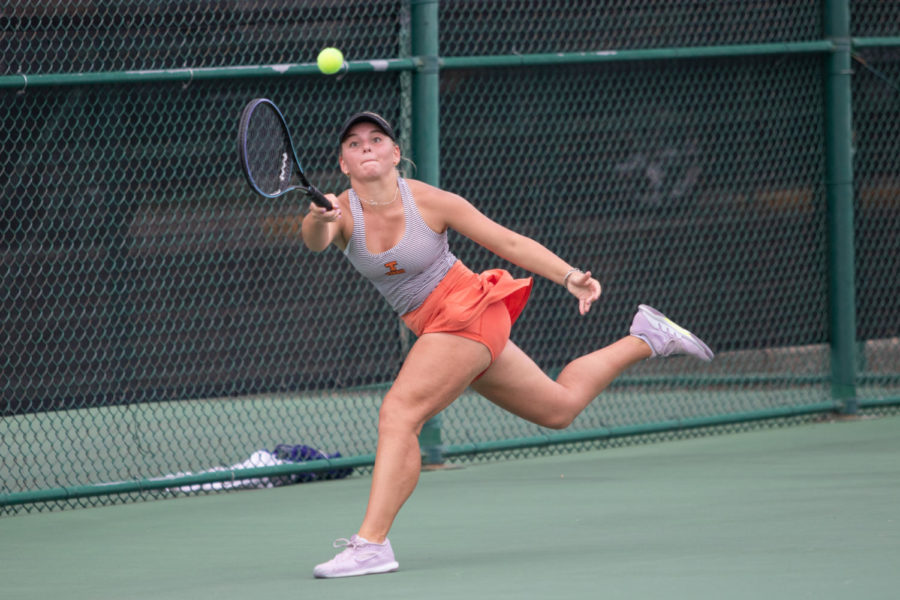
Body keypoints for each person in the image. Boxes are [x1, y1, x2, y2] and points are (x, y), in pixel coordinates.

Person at [302, 111, 714, 578]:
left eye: (377, 139)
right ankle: (647, 337)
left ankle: (371, 544)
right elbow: (317, 241)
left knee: (400, 413)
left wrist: (569, 276)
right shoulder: (337, 212)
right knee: (558, 408)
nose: (367, 148)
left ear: (396, 154)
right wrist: (320, 218)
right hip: (436, 327)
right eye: (355, 144)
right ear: (344, 163)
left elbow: (509, 242)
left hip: (467, 309)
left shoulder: (432, 202)